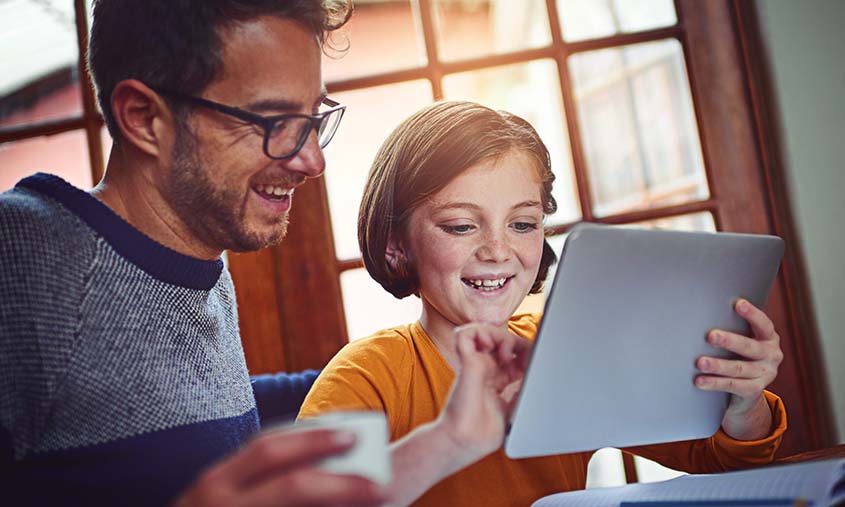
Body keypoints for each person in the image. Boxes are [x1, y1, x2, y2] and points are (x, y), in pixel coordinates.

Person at [3, 1, 528, 506]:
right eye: (274, 123)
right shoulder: (24, 260)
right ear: (143, 117)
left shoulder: (193, 261)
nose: (312, 160)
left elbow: (173, 413)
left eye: (313, 118)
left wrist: (409, 376)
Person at [298, 101, 789, 507]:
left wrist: (742, 405)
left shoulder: (564, 349)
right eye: (461, 226)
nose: (498, 251)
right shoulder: (367, 376)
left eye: (523, 223)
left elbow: (719, 461)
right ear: (395, 245)